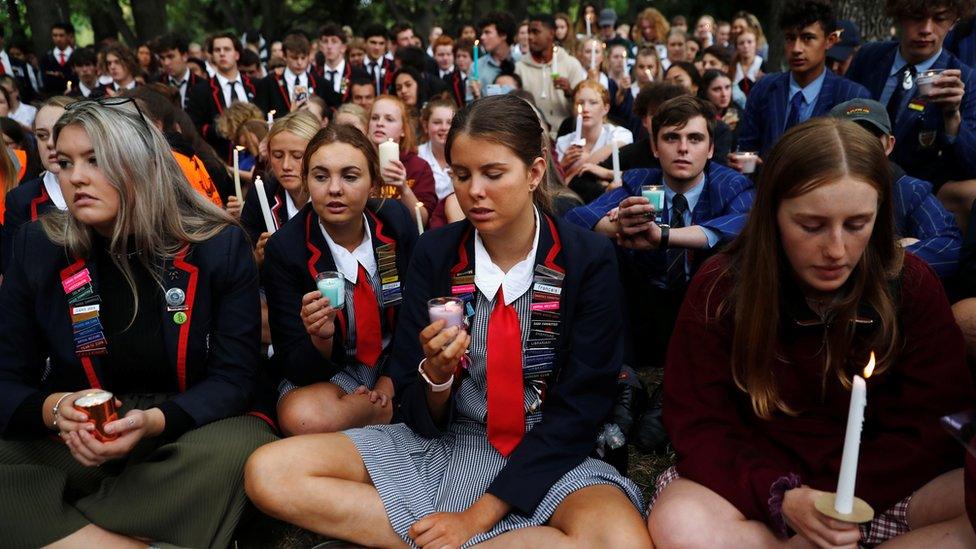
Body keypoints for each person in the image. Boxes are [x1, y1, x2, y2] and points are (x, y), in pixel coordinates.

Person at [245, 92, 648, 548]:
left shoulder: (586, 257)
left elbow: (582, 405)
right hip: (447, 445)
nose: (474, 191)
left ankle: (440, 534)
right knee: (268, 471)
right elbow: (410, 394)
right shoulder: (437, 253)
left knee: (622, 541)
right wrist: (435, 380)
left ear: (535, 173)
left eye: (493, 174)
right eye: (461, 175)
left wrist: (477, 516)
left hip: (550, 451)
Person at [649, 117, 976, 548]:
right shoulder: (723, 287)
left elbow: (936, 425)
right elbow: (699, 423)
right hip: (762, 491)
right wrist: (781, 495)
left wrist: (847, 498)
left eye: (857, 224)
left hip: (884, 491)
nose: (836, 250)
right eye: (811, 226)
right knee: (681, 521)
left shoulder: (909, 283)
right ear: (773, 214)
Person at [0, 98, 277, 548]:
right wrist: (54, 410)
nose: (75, 178)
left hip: (188, 424)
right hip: (84, 433)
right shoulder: (39, 244)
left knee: (239, 449)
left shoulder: (217, 245)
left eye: (95, 160)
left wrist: (154, 422)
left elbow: (234, 379)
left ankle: (63, 527)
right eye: (66, 163)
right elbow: (8, 378)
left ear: (140, 163)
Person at [565, 96, 753, 370]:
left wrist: (662, 236)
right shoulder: (639, 181)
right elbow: (575, 219)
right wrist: (621, 225)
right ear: (654, 146)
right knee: (601, 254)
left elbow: (740, 226)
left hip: (710, 315)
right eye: (671, 138)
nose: (683, 149)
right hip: (642, 313)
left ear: (711, 149)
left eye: (695, 139)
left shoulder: (731, 185)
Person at [261, 123, 417, 437]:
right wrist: (321, 338)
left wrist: (389, 381)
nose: (334, 189)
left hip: (395, 360)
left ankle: (381, 408)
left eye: (350, 176)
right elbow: (295, 363)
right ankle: (382, 413)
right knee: (301, 416)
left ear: (373, 182)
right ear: (306, 181)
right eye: (321, 176)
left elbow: (415, 315)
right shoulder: (287, 249)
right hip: (333, 374)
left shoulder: (395, 221)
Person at [846, 0, 976, 229]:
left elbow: (970, 166)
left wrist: (952, 117)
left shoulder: (964, 78)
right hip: (854, 179)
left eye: (939, 19)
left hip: (919, 196)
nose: (926, 29)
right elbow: (841, 115)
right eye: (917, 17)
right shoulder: (870, 57)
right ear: (900, 17)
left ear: (954, 22)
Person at [829, 98, 961, 277]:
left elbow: (950, 248)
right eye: (851, 135)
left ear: (889, 145)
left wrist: (894, 255)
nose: (861, 144)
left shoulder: (908, 189)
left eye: (871, 136)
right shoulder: (812, 189)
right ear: (829, 143)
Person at [733, 0, 870, 161]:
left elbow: (858, 163)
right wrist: (744, 162)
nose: (796, 49)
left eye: (807, 38)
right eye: (790, 38)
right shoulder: (764, 88)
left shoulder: (852, 97)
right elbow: (747, 148)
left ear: (830, 40)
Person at [0, 96, 74, 275]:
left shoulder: (105, 189)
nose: (50, 143)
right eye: (42, 136)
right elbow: (12, 273)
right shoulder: (20, 200)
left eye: (59, 131)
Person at [241, 111, 320, 262]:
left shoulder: (330, 193)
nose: (286, 166)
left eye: (297, 156)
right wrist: (257, 257)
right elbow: (243, 261)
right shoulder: (262, 193)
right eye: (278, 155)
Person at [187, 32, 257, 162]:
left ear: (237, 54)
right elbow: (194, 128)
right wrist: (224, 129)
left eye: (227, 49)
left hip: (257, 158)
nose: (222, 53)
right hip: (221, 161)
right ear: (212, 56)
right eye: (217, 50)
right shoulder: (200, 91)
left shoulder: (255, 85)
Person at [368, 95, 437, 226]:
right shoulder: (359, 162)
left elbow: (421, 220)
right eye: (374, 118)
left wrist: (403, 188)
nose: (379, 123)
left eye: (389, 119)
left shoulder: (419, 167)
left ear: (403, 130)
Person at [517, 14, 587, 133]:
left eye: (535, 32)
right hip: (533, 135)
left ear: (551, 33)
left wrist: (570, 93)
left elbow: (584, 106)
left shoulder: (571, 64)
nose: (530, 37)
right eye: (529, 32)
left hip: (568, 134)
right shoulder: (519, 68)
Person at [556, 81, 633, 184]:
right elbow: (554, 183)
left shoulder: (619, 133)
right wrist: (562, 165)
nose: (585, 109)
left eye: (593, 103)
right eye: (580, 103)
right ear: (573, 109)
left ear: (606, 108)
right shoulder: (563, 142)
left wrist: (573, 174)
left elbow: (617, 146)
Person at [256, 33, 337, 119]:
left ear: (309, 56)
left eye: (303, 58)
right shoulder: (269, 82)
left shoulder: (321, 83)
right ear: (284, 56)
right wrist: (290, 114)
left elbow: (331, 112)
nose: (299, 63)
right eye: (294, 58)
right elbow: (262, 115)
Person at [153, 33, 206, 110]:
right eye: (162, 58)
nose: (166, 63)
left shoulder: (202, 85)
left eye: (170, 56)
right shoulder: (156, 85)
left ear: (184, 56)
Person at [418, 97, 457, 200]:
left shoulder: (466, 156)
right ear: (426, 126)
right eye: (437, 122)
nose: (444, 128)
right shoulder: (416, 155)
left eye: (450, 122)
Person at [477, 12, 518, 87]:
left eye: (487, 32)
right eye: (482, 33)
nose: (482, 37)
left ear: (503, 35)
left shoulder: (520, 63)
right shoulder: (476, 67)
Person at [700, 69, 743, 138]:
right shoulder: (697, 116)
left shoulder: (737, 113)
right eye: (717, 89)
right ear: (705, 92)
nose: (724, 94)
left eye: (727, 87)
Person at [39, 22, 75, 96]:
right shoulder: (46, 58)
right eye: (55, 35)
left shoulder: (76, 56)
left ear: (68, 36)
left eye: (61, 35)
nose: (58, 39)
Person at [362, 24, 395, 96]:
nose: (377, 47)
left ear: (385, 45)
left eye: (381, 43)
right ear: (364, 43)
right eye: (373, 43)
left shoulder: (393, 66)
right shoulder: (355, 66)